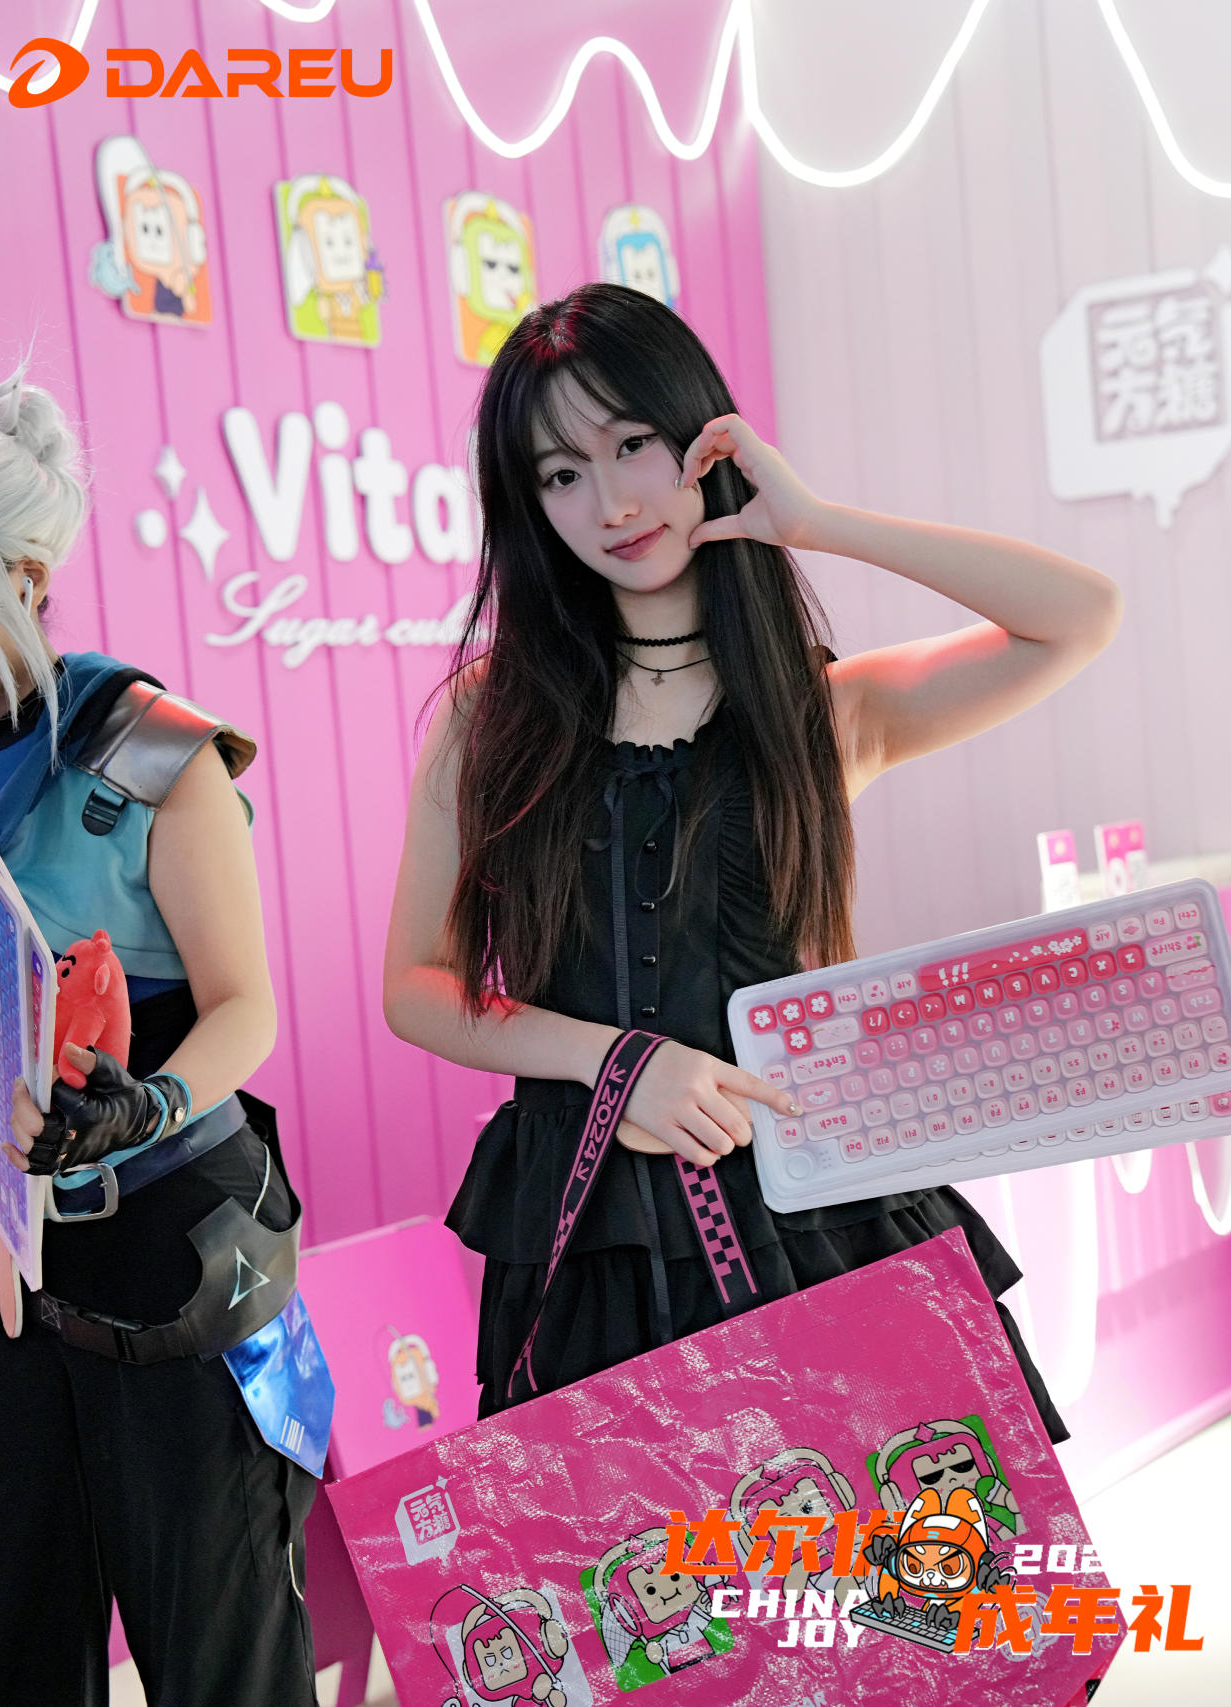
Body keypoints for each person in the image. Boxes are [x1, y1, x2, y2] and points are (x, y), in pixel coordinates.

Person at [383, 282, 1122, 1427]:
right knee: (640, 1546)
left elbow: (1077, 615)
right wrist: (615, 1064)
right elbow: (417, 986)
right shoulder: (491, 715)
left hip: (821, 1206)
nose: (609, 502)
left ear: (701, 439)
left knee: (903, 1541)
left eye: (631, 444)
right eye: (559, 474)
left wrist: (815, 522)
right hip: (594, 1238)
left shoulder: (818, 709)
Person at [0, 368, 318, 1707]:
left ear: (23, 575)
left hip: (172, 1251)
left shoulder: (152, 751)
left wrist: (146, 1102)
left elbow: (246, 1004)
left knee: (222, 1662)